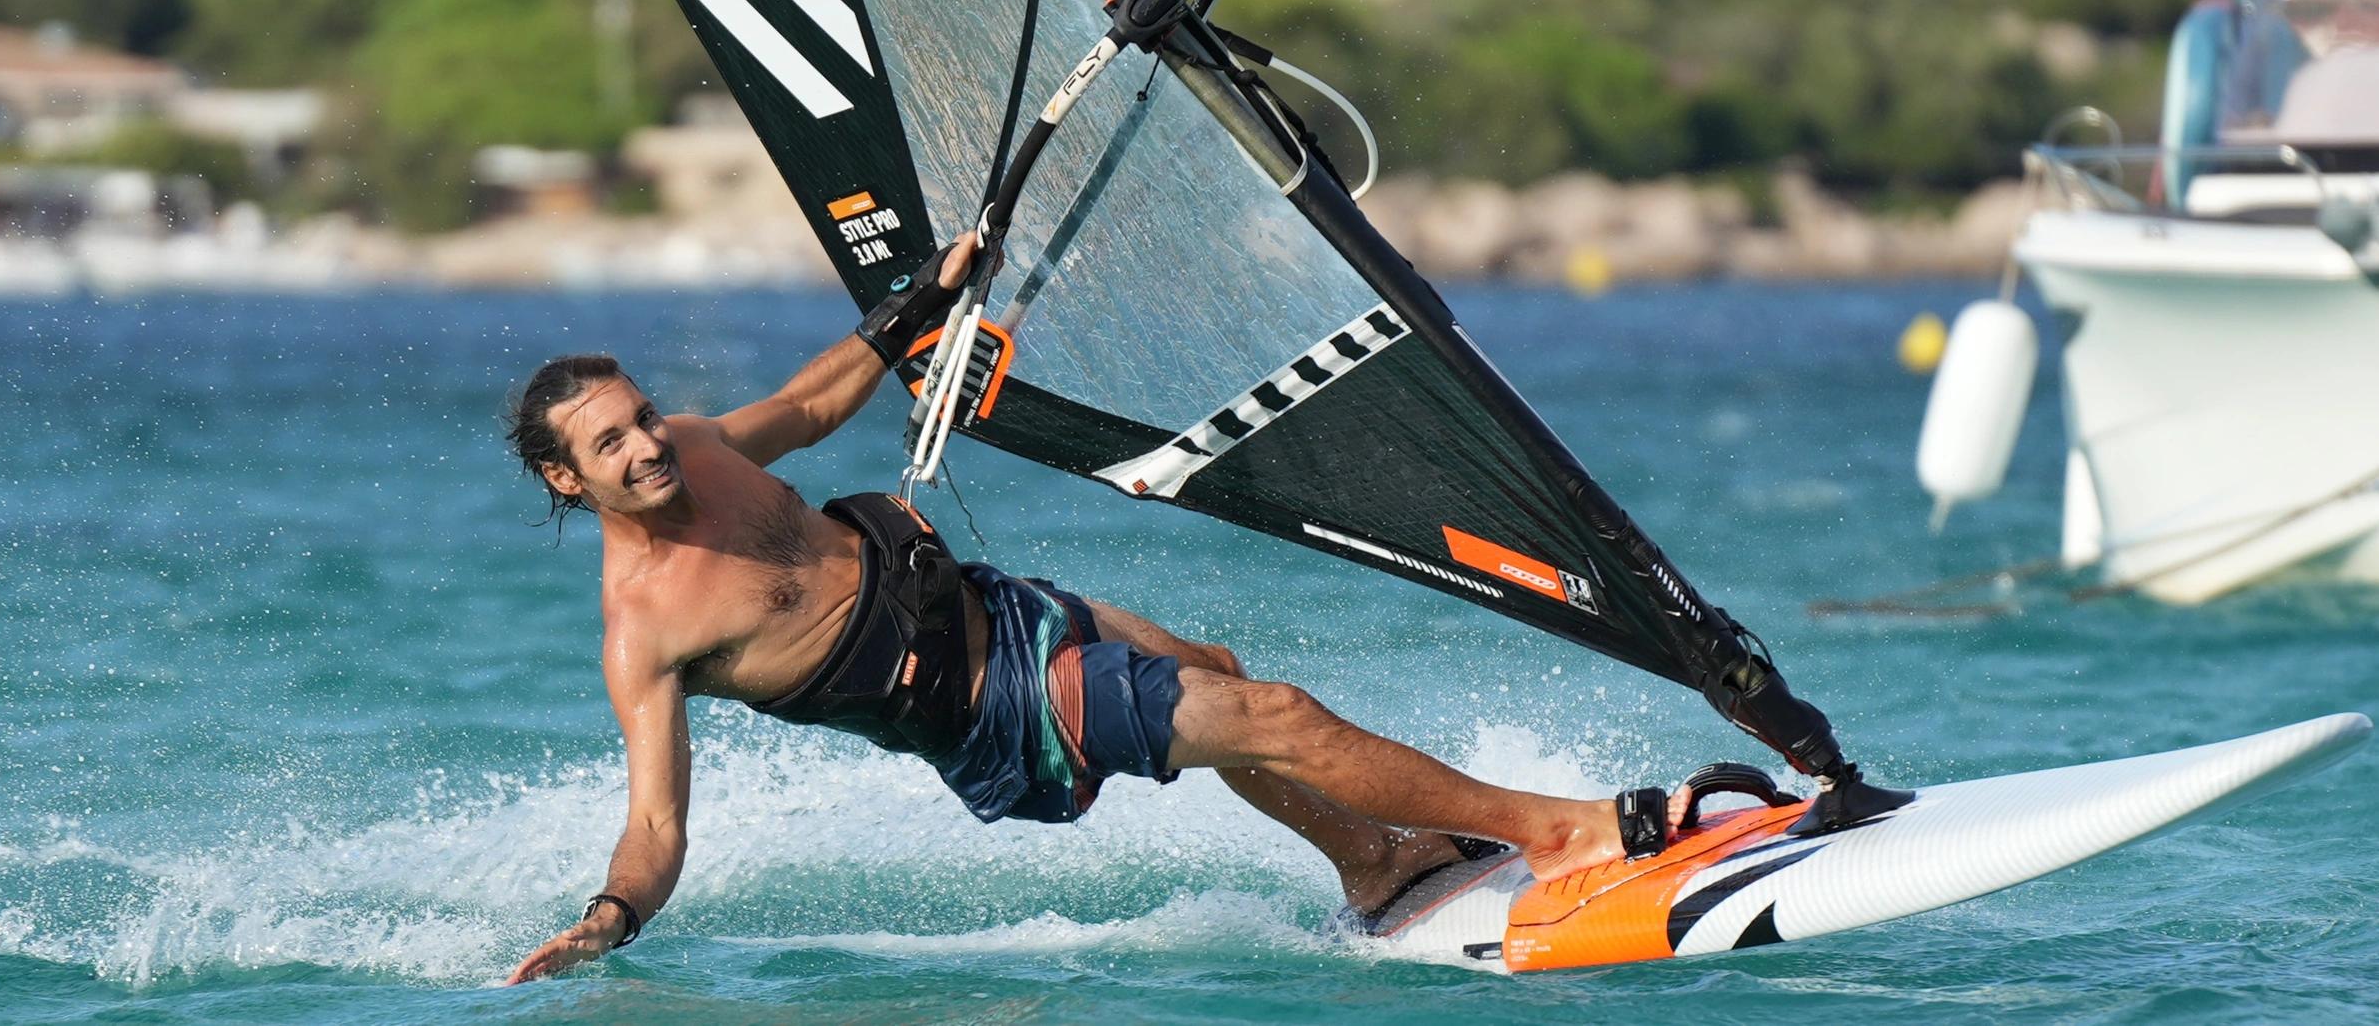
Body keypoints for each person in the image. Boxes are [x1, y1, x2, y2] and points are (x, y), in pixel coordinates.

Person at [502, 237, 1689, 983]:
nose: (648, 442)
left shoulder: (702, 448)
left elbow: (811, 406)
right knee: (1268, 713)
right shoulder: (643, 630)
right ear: (567, 478)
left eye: (643, 414)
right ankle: (1558, 829)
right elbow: (657, 823)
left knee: (1215, 665)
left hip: (1002, 611)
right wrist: (611, 915)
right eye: (611, 442)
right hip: (997, 712)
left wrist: (919, 302)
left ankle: (1374, 860)